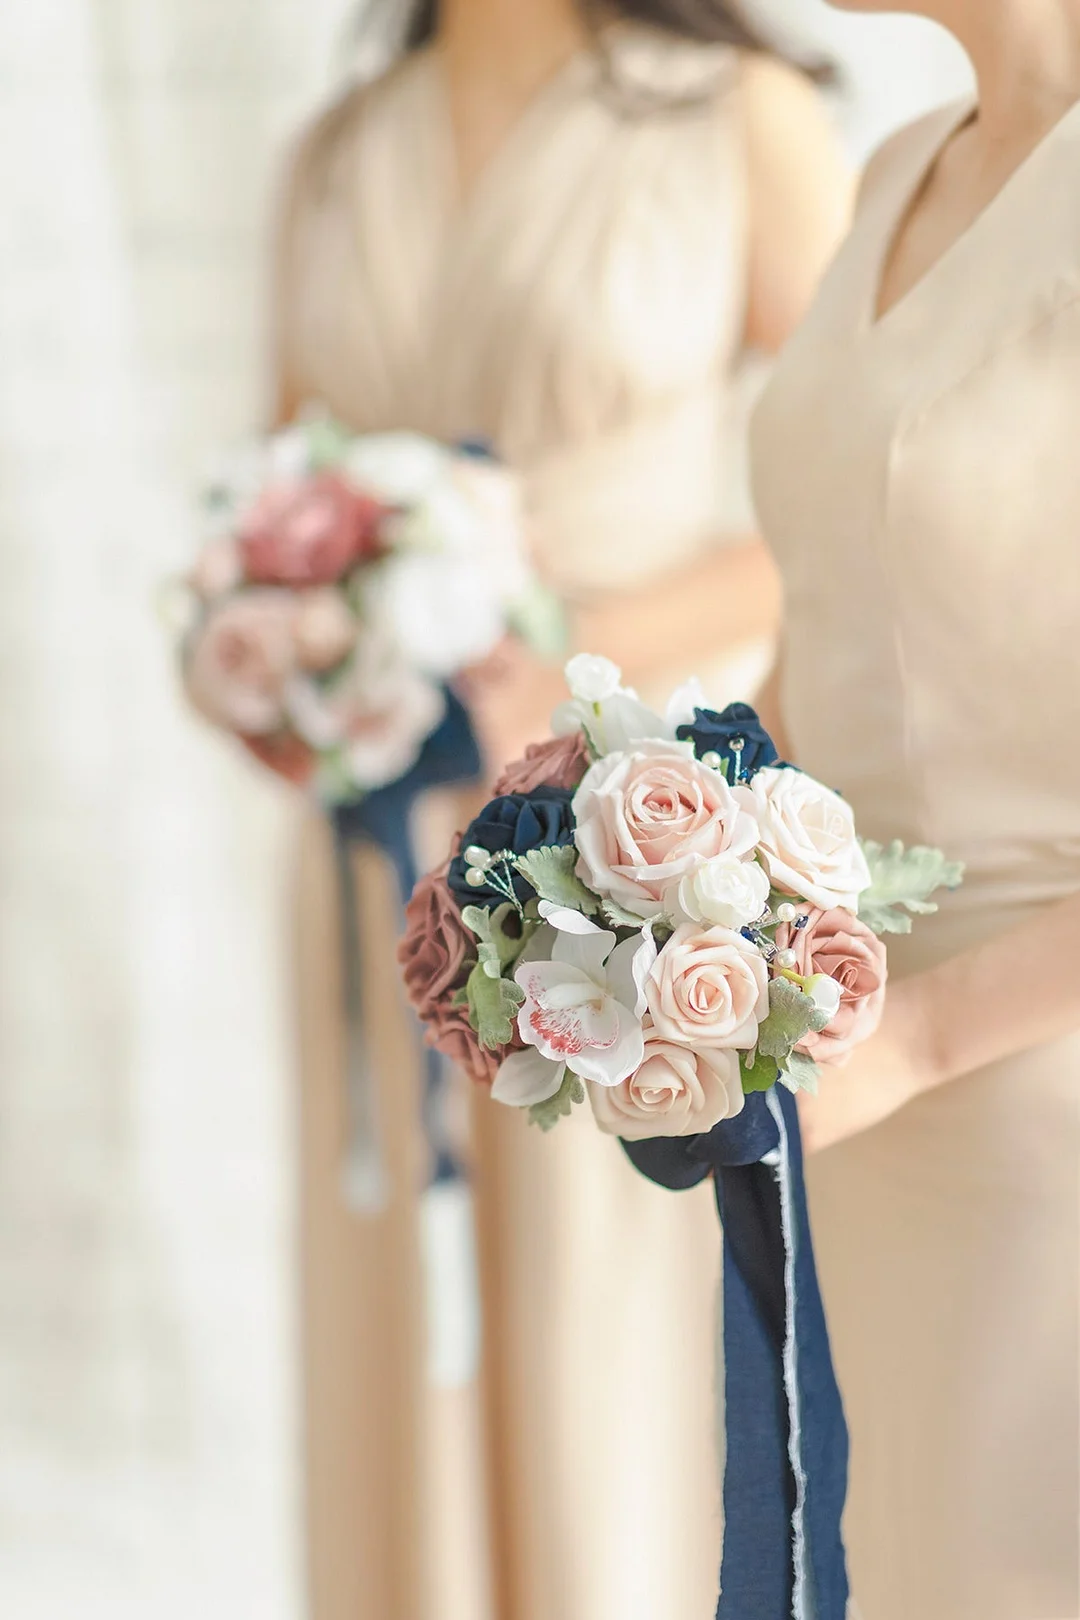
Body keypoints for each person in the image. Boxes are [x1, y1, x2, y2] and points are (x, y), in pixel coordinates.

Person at [274, 3, 849, 1616]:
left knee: (621, 1350)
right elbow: (279, 496)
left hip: (621, 850)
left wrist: (548, 659)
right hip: (375, 842)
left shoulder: (738, 116)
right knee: (398, 1336)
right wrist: (276, 671)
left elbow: (847, 507)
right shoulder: (329, 157)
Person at [751, 1, 1080, 1615]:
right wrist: (623, 827)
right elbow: (829, 624)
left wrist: (933, 1039)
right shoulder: (891, 172)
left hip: (1040, 1086)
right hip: (846, 1075)